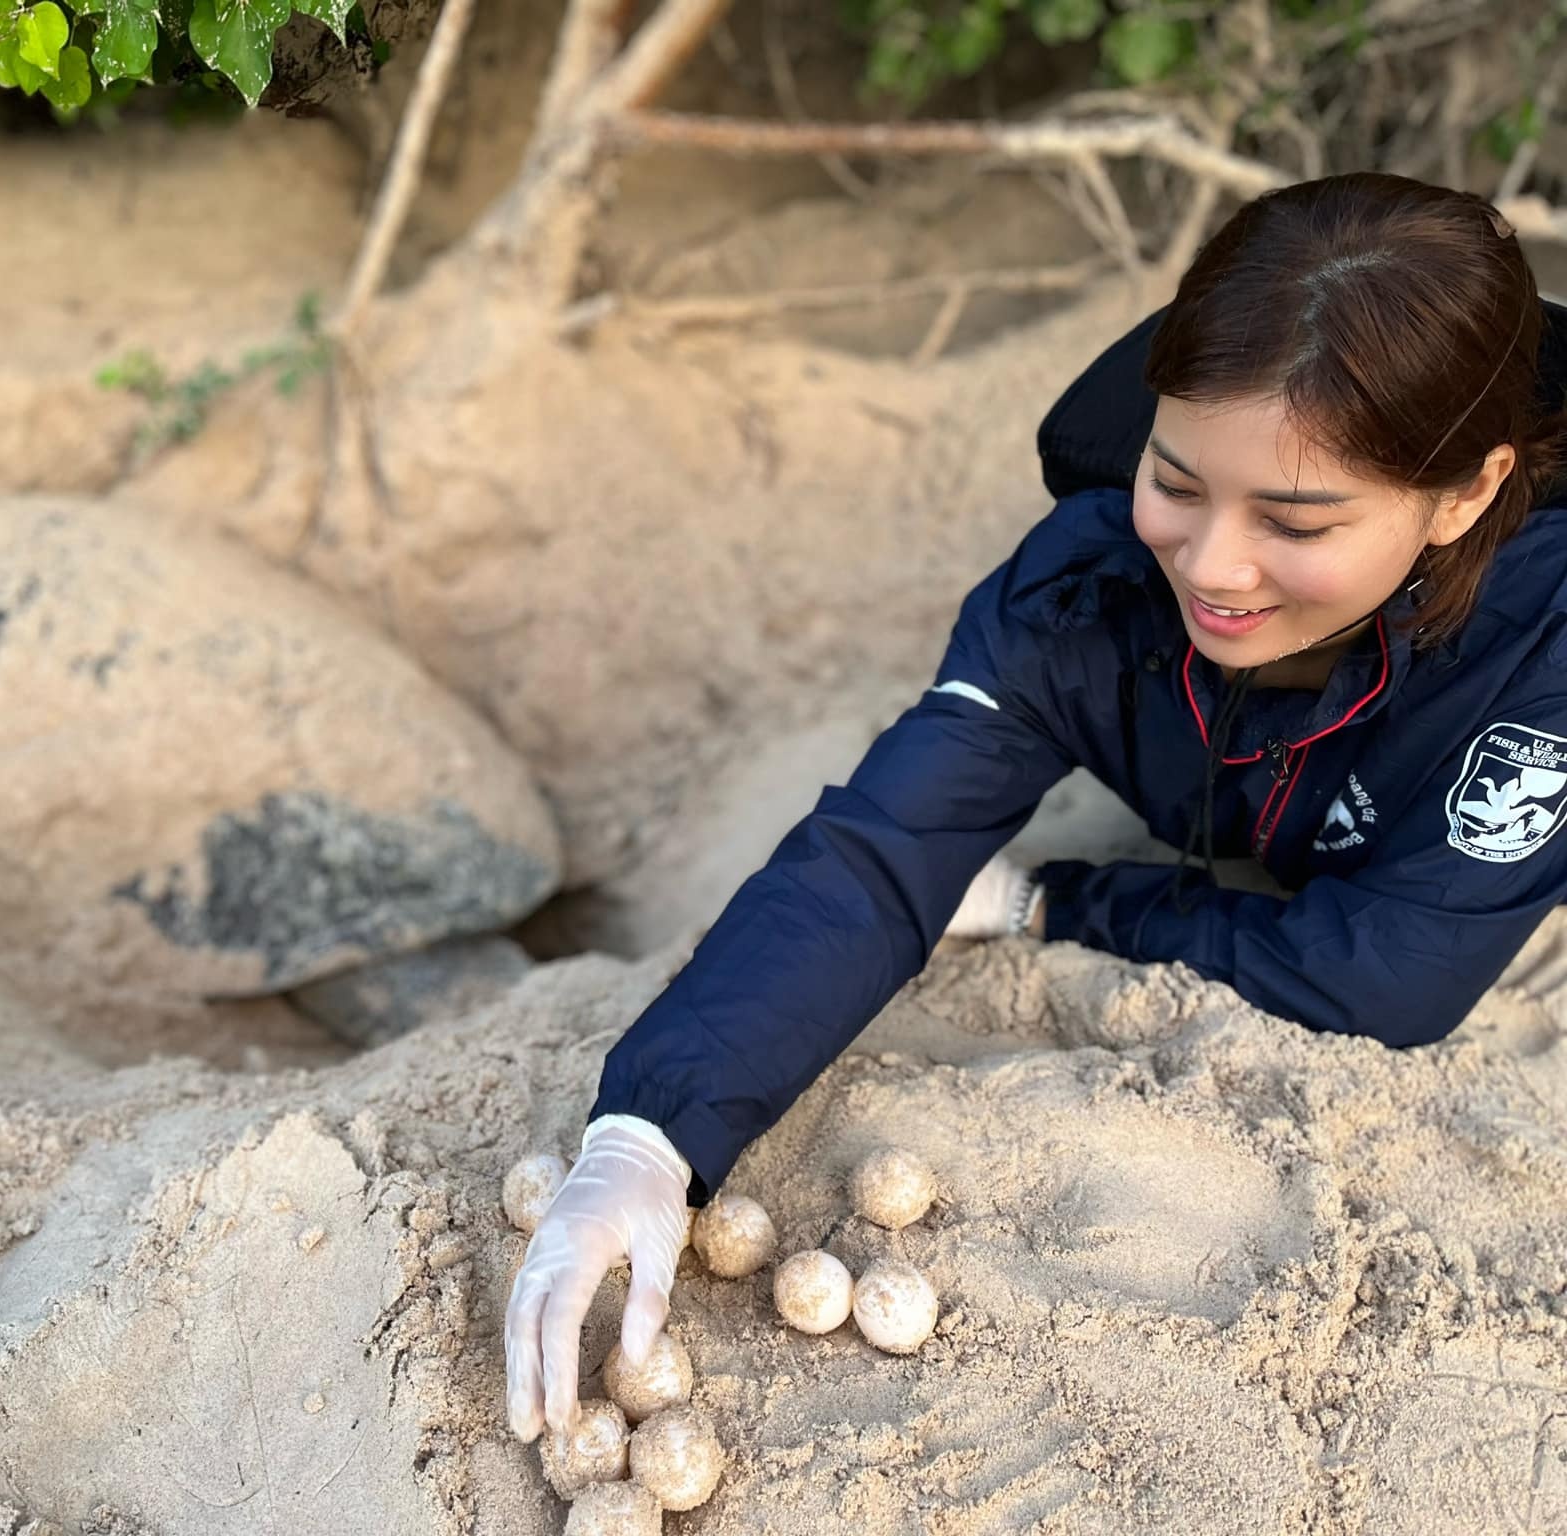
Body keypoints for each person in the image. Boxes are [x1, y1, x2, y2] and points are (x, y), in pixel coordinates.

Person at [504, 170, 1567, 1444]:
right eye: (1176, 481)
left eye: (1292, 520)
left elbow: (1389, 974)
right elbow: (882, 851)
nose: (1212, 567)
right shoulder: (1085, 583)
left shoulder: (1542, 645)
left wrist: (1050, 900)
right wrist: (646, 1133)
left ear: (1460, 495)